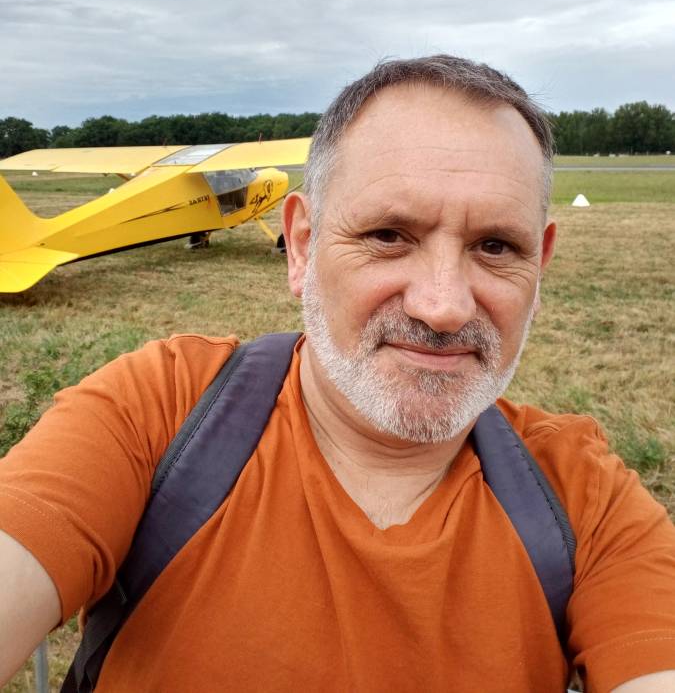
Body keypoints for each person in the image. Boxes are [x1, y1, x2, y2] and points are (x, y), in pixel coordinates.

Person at [1, 55, 674, 692]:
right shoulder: (156, 412)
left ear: (540, 268)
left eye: (495, 246)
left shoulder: (585, 498)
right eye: (387, 236)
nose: (442, 307)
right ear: (300, 246)